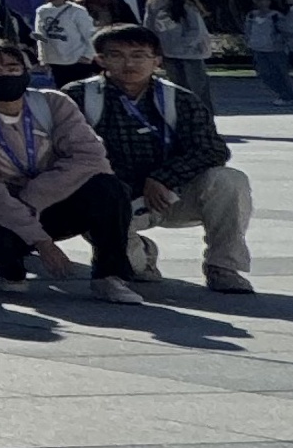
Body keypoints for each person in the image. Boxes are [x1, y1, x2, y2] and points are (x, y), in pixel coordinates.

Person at [0, 37, 142, 300]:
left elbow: (91, 157)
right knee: (1, 243)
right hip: (3, 205)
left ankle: (110, 276)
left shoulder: (53, 103)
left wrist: (33, 196)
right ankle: (10, 270)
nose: (5, 75)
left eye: (13, 68)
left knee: (108, 187)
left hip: (49, 199)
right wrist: (42, 242)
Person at [70, 20, 256, 294]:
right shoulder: (77, 97)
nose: (129, 64)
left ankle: (223, 266)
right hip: (115, 200)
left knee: (229, 180)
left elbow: (213, 149)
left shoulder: (179, 99)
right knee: (130, 268)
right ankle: (143, 254)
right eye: (117, 55)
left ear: (156, 60)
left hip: (170, 194)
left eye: (139, 55)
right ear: (100, 59)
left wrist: (163, 177)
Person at [34, 0, 103, 85]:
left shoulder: (77, 11)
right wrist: (43, 58)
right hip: (55, 62)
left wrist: (88, 55)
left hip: (77, 60)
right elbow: (40, 36)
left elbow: (89, 34)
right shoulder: (42, 11)